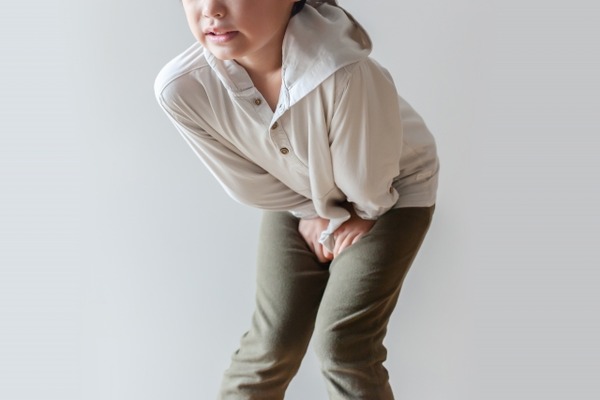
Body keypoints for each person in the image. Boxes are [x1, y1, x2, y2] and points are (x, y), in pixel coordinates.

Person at [154, 0, 439, 398]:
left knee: (343, 344)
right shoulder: (183, 88)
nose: (211, 9)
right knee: (270, 344)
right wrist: (309, 210)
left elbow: (368, 179)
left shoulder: (341, 67)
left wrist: (352, 213)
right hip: (294, 193)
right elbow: (246, 183)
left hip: (388, 191)